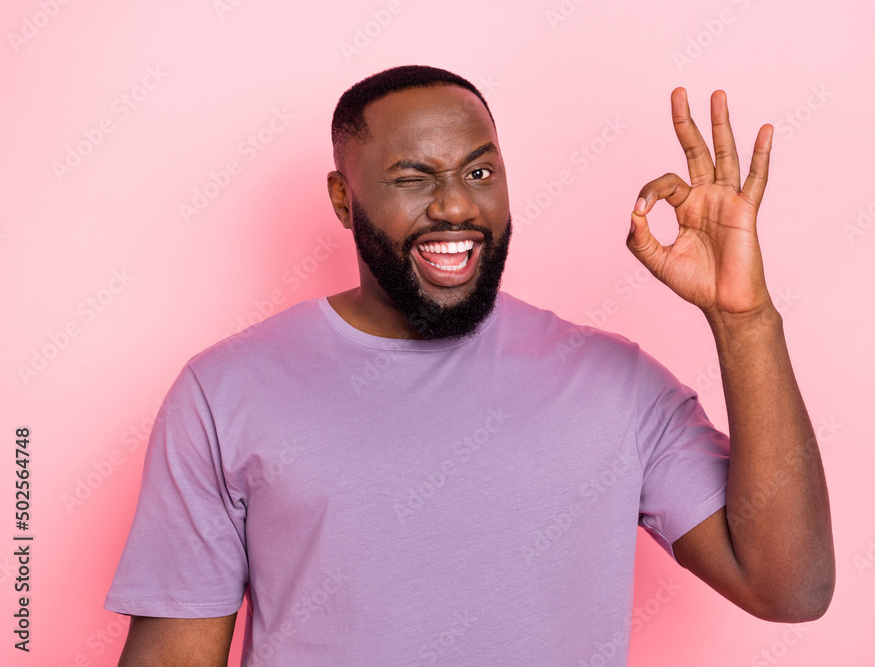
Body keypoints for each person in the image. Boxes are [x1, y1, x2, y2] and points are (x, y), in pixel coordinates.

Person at [105, 65, 834, 666]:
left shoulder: (617, 383)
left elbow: (790, 587)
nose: (456, 204)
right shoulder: (223, 392)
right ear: (342, 198)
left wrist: (744, 320)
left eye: (479, 170)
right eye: (412, 176)